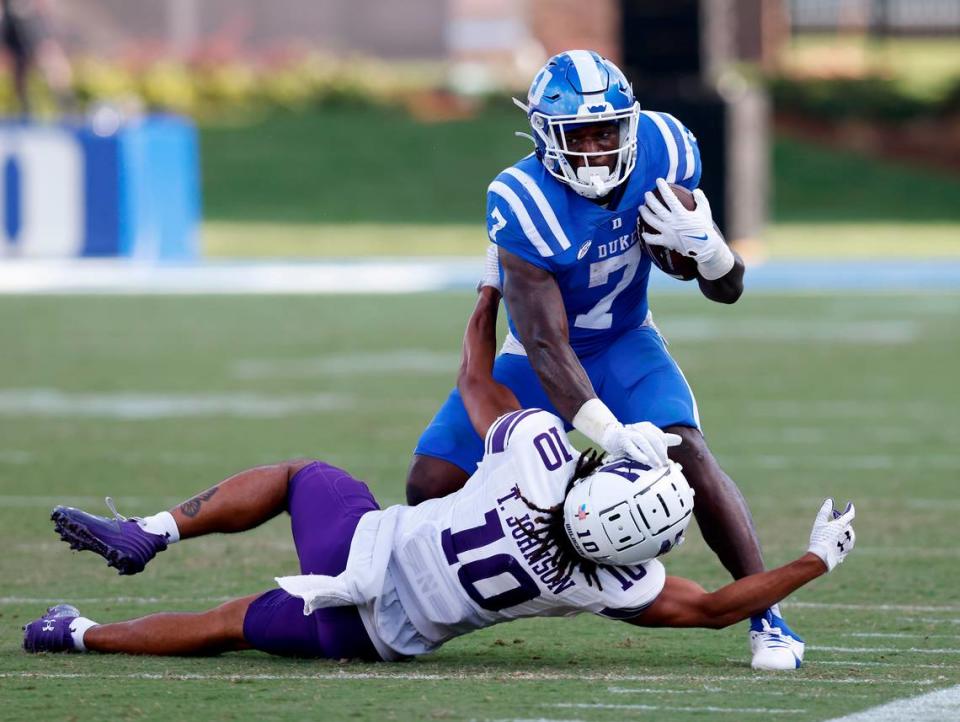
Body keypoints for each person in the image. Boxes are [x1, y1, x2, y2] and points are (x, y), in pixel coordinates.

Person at [24, 284, 856, 665]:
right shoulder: (608, 586)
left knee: (299, 474)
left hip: (358, 546)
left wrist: (490, 302)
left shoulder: (536, 460)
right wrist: (812, 560)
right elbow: (716, 609)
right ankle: (75, 633)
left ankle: (151, 532)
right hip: (372, 634)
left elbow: (475, 380)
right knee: (225, 623)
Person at [405, 50, 794, 669]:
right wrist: (609, 434)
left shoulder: (666, 147)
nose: (596, 148)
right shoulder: (523, 198)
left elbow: (724, 289)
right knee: (430, 481)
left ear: (629, 124)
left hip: (624, 339)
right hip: (541, 359)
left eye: (607, 130)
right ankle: (419, 601)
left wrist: (713, 254)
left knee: (689, 453)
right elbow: (543, 343)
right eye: (578, 134)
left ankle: (767, 618)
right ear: (545, 135)